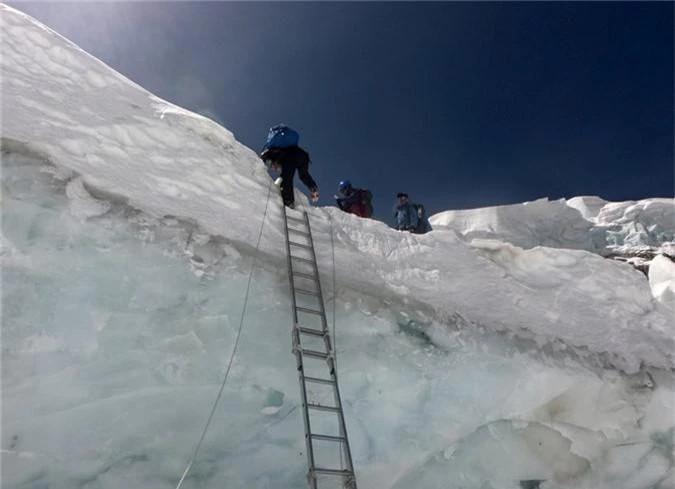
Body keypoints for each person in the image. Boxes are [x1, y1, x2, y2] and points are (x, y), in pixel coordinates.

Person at [260, 126, 319, 208]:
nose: (272, 168)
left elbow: (285, 171)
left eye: (270, 164)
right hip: (303, 156)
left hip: (291, 156)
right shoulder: (280, 150)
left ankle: (289, 201)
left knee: (286, 176)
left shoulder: (273, 153)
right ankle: (313, 188)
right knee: (303, 175)